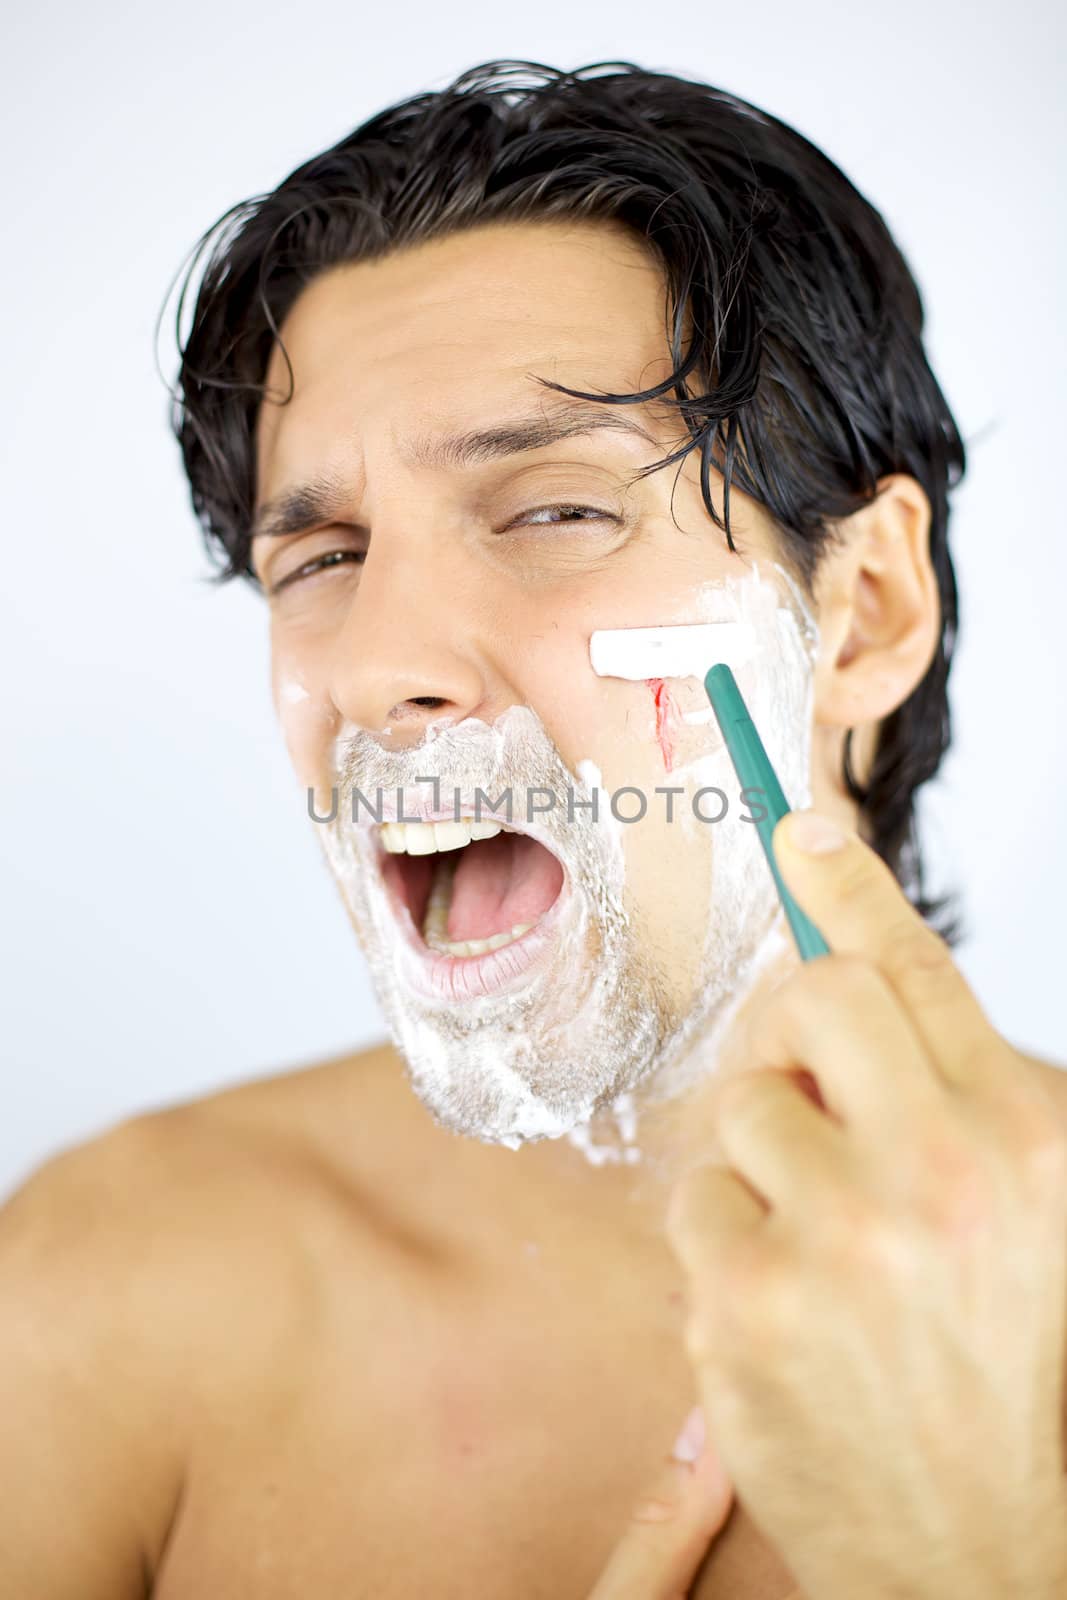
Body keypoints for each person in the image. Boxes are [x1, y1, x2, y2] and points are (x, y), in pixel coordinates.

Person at [3, 59, 1064, 1599]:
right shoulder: (100, 1295)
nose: (379, 668)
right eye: (325, 555)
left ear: (868, 610)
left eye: (554, 511)